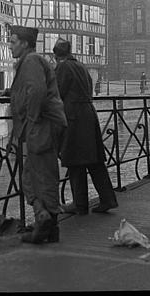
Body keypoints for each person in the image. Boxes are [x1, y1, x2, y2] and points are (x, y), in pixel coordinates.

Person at [0, 26, 67, 244]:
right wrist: (9, 93)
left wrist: (32, 120)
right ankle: (46, 224)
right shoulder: (31, 61)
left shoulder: (31, 61)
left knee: (40, 176)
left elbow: (36, 91)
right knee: (34, 176)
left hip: (41, 126)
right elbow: (30, 88)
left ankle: (45, 223)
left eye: (13, 41)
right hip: (43, 125)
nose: (9, 46)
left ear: (25, 43)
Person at [53, 38, 118, 215]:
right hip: (89, 115)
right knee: (95, 160)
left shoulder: (62, 67)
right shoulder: (81, 66)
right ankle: (108, 199)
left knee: (75, 161)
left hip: (73, 116)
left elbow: (57, 92)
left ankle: (80, 204)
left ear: (56, 55)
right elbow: (89, 89)